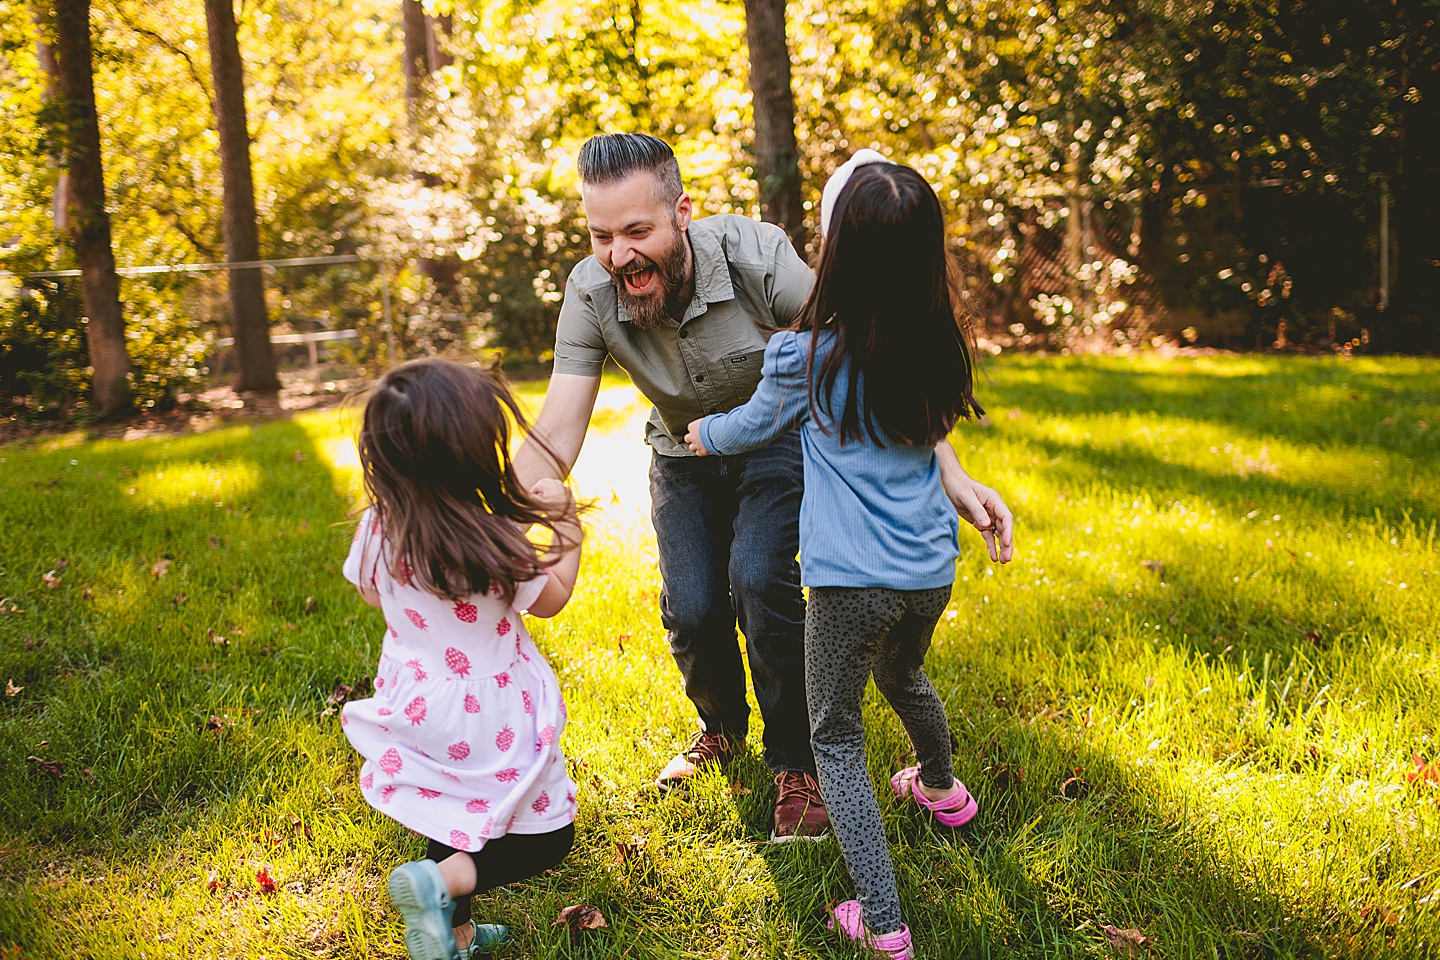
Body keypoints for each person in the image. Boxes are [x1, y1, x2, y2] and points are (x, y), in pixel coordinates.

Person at [514, 132, 1013, 843]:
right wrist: (493, 510)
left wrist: (950, 468)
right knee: (690, 604)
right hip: (682, 454)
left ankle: (796, 764)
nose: (619, 255)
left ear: (681, 212)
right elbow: (557, 430)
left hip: (775, 442)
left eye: (636, 232)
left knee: (759, 579)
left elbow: (872, 357)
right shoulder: (591, 292)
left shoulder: (756, 257)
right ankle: (720, 728)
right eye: (601, 235)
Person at [683, 152, 1002, 960]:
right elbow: (934, 439)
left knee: (835, 738)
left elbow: (754, 424)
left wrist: (703, 434)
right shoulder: (940, 347)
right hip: (929, 571)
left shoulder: (806, 356)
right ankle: (943, 792)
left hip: (849, 584)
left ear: (834, 254)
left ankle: (884, 923)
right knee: (903, 675)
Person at [340, 359, 584, 960]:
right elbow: (551, 601)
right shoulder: (488, 537)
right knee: (549, 837)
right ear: (476, 452)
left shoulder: (378, 527)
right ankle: (439, 884)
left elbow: (371, 590)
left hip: (416, 700)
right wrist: (567, 524)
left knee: (450, 816)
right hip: (488, 715)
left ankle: (453, 934)